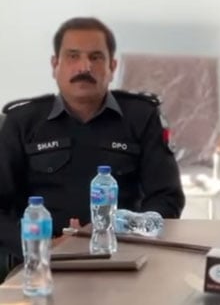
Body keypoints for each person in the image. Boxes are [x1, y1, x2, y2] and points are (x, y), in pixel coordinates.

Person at [0, 17, 185, 262]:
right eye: (73, 56)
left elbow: (166, 197)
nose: (84, 67)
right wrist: (41, 244)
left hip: (125, 255)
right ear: (55, 65)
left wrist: (130, 237)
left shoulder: (141, 117)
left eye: (96, 57)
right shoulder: (23, 122)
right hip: (41, 260)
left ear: (112, 67)